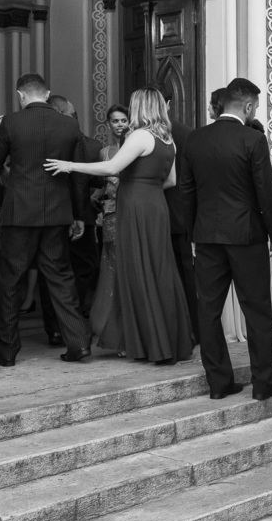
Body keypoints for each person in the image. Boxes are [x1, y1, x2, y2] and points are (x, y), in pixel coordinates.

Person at [45, 88, 194, 366]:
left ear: (139, 107)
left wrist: (70, 165)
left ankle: (151, 344)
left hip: (136, 207)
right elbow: (171, 180)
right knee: (159, 270)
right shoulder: (168, 139)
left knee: (137, 270)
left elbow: (112, 167)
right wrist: (147, 189)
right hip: (156, 205)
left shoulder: (140, 136)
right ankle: (166, 340)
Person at [181, 79, 272, 401]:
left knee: (209, 311)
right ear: (249, 107)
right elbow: (266, 192)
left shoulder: (195, 139)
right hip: (247, 237)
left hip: (208, 237)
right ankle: (263, 384)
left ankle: (219, 383)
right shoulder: (253, 139)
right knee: (256, 311)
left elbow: (186, 193)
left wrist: (192, 235)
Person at [0, 73, 92, 366]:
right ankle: (79, 344)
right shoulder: (69, 124)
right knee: (61, 277)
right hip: (57, 213)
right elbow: (78, 174)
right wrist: (78, 215)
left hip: (19, 214)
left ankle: (7, 353)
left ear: (21, 96)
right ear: (47, 93)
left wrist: (4, 171)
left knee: (11, 280)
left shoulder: (12, 123)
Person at [32, 95, 103, 341]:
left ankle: (61, 324)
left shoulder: (93, 146)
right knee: (65, 269)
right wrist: (80, 215)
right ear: (61, 114)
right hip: (69, 217)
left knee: (61, 270)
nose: (75, 121)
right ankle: (65, 324)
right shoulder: (81, 143)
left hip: (50, 216)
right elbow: (80, 181)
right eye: (73, 116)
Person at [220, 117, 272, 341]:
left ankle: (251, 324)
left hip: (240, 227)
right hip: (253, 227)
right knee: (255, 290)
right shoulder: (252, 150)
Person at [90, 105, 128, 353]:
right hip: (111, 217)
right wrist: (94, 204)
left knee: (127, 269)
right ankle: (110, 330)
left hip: (131, 214)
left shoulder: (135, 147)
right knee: (110, 270)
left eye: (123, 120)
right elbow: (102, 188)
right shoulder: (105, 152)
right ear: (108, 124)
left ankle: (127, 333)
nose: (119, 125)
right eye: (115, 120)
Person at [163, 91, 198, 343]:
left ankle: (191, 329)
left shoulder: (184, 134)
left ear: (166, 104)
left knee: (185, 274)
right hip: (158, 213)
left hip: (178, 214)